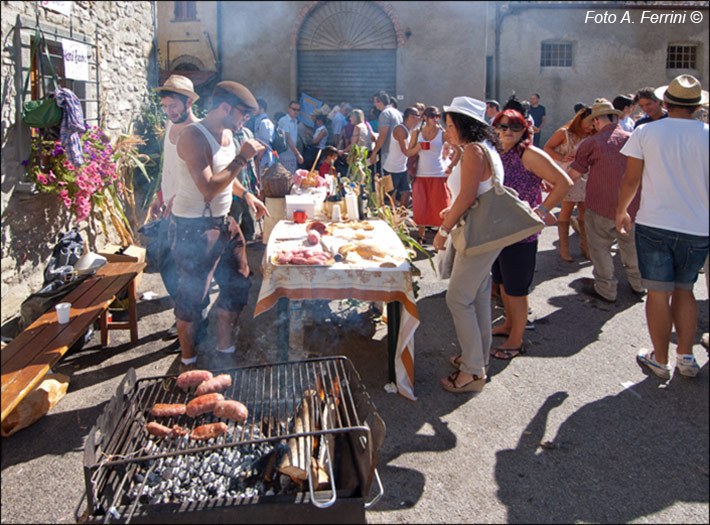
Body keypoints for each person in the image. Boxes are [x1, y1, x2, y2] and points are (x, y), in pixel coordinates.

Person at [171, 80, 269, 373]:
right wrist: (243, 158)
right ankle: (187, 361)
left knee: (238, 282)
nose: (244, 121)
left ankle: (224, 347)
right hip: (194, 228)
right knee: (193, 296)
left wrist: (246, 193)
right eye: (243, 114)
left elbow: (228, 177)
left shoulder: (228, 133)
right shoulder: (193, 136)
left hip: (224, 222)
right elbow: (209, 187)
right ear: (225, 107)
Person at [616, 74, 709, 379]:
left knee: (658, 293)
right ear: (697, 106)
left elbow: (631, 179)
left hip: (655, 222)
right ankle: (686, 356)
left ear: (665, 103)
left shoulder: (646, 133)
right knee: (686, 290)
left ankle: (660, 358)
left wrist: (622, 210)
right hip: (697, 226)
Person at [431, 97, 507, 392]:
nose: (446, 131)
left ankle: (473, 372)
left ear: (466, 125)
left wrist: (443, 229)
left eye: (450, 125)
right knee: (476, 298)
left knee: (458, 298)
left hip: (479, 236)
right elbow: (475, 195)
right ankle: (478, 358)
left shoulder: (474, 150)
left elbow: (466, 197)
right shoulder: (480, 149)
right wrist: (450, 214)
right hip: (484, 232)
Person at [489, 109, 573, 359]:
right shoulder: (497, 152)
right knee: (503, 282)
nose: (507, 131)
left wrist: (543, 210)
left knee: (517, 289)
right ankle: (508, 325)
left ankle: (516, 340)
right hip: (498, 230)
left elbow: (565, 183)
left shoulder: (529, 154)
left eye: (515, 127)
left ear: (525, 130)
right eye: (502, 126)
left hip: (520, 232)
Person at [567, 99, 645, 303]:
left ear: (597, 121)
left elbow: (573, 175)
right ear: (617, 118)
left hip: (600, 207)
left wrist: (552, 184)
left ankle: (606, 288)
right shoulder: (634, 139)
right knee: (632, 248)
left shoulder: (592, 143)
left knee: (600, 248)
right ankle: (638, 284)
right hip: (632, 208)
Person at [148, 75, 204, 341]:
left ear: (190, 101)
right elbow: (170, 167)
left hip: (190, 216)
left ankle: (192, 324)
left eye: (174, 106)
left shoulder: (198, 132)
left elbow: (202, 177)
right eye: (166, 106)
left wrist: (179, 196)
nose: (169, 111)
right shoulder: (170, 124)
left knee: (188, 274)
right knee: (165, 265)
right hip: (169, 212)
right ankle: (186, 316)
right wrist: (160, 193)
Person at [543, 106, 595, 261]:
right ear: (580, 120)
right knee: (566, 210)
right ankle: (564, 248)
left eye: (593, 123)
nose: (590, 127)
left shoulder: (594, 133)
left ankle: (585, 246)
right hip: (567, 176)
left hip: (586, 176)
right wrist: (562, 156)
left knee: (584, 212)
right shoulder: (564, 132)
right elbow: (547, 148)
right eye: (588, 123)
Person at [410, 106, 451, 244]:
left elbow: (458, 149)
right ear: (425, 117)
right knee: (420, 206)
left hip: (438, 174)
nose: (435, 119)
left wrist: (451, 166)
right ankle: (421, 237)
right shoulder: (417, 132)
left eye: (438, 116)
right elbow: (409, 153)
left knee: (441, 206)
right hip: (420, 175)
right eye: (432, 116)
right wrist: (418, 147)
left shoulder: (442, 133)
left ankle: (442, 238)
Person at [382, 106, 420, 208]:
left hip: (402, 168)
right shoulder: (400, 129)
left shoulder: (410, 130)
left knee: (406, 192)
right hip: (391, 169)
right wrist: (419, 147)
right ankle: (391, 220)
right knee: (390, 197)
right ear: (411, 117)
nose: (419, 119)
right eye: (418, 116)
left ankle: (402, 218)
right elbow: (406, 152)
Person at [369, 90, 403, 170]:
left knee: (387, 181)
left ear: (380, 102)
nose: (374, 104)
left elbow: (383, 135)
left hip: (388, 153)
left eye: (375, 102)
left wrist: (374, 153)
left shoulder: (385, 114)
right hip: (399, 153)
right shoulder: (397, 112)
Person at [277, 100, 303, 173]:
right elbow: (288, 138)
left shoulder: (295, 121)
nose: (296, 112)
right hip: (284, 157)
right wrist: (297, 154)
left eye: (298, 110)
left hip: (292, 156)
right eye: (294, 109)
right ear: (289, 109)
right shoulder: (284, 121)